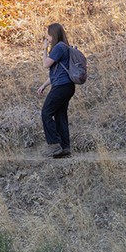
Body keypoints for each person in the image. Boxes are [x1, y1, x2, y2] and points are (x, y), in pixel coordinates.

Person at [37, 22, 75, 158]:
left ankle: (53, 145)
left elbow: (45, 64)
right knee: (60, 116)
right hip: (67, 86)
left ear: (53, 33)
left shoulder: (58, 47)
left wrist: (45, 49)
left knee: (46, 112)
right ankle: (65, 148)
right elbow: (58, 73)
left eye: (48, 34)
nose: (46, 37)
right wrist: (44, 85)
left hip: (61, 86)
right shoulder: (65, 47)